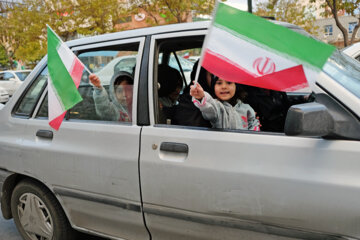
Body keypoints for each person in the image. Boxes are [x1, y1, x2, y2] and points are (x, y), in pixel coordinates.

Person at [190, 77, 260, 131]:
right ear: (213, 87)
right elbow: (209, 107)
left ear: (236, 86)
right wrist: (201, 96)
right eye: (219, 83)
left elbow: (253, 125)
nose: (224, 87)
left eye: (229, 83)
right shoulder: (217, 106)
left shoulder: (246, 108)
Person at [171, 60, 215, 127]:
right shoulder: (189, 102)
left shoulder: (226, 98)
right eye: (213, 75)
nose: (219, 78)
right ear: (201, 75)